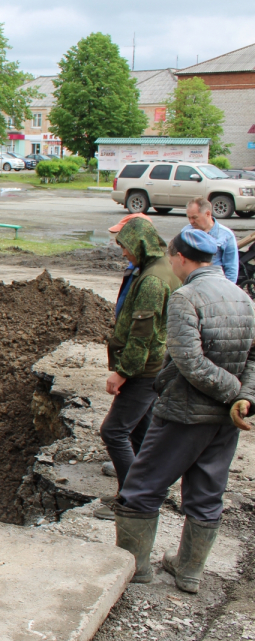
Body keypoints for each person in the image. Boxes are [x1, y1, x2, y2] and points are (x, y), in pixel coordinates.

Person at [113, 228, 255, 593]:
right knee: (207, 493)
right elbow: (253, 358)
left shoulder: (186, 297)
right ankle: (189, 572)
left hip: (185, 413)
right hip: (227, 419)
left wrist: (233, 393)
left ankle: (135, 568)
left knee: (141, 489)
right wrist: (244, 400)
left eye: (173, 258)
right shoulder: (243, 297)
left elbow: (189, 361)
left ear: (183, 258)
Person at [94, 215, 180, 520]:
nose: (123, 253)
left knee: (114, 431)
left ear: (139, 244)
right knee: (141, 433)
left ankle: (131, 501)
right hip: (153, 367)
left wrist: (122, 372)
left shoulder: (153, 281)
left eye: (125, 247)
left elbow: (143, 335)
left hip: (144, 370)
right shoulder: (155, 269)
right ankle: (149, 491)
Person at [185, 196, 238, 283]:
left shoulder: (226, 235)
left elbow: (231, 269)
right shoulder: (186, 232)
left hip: (215, 284)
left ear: (208, 214)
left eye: (194, 217)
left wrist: (227, 291)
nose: (191, 221)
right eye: (189, 217)